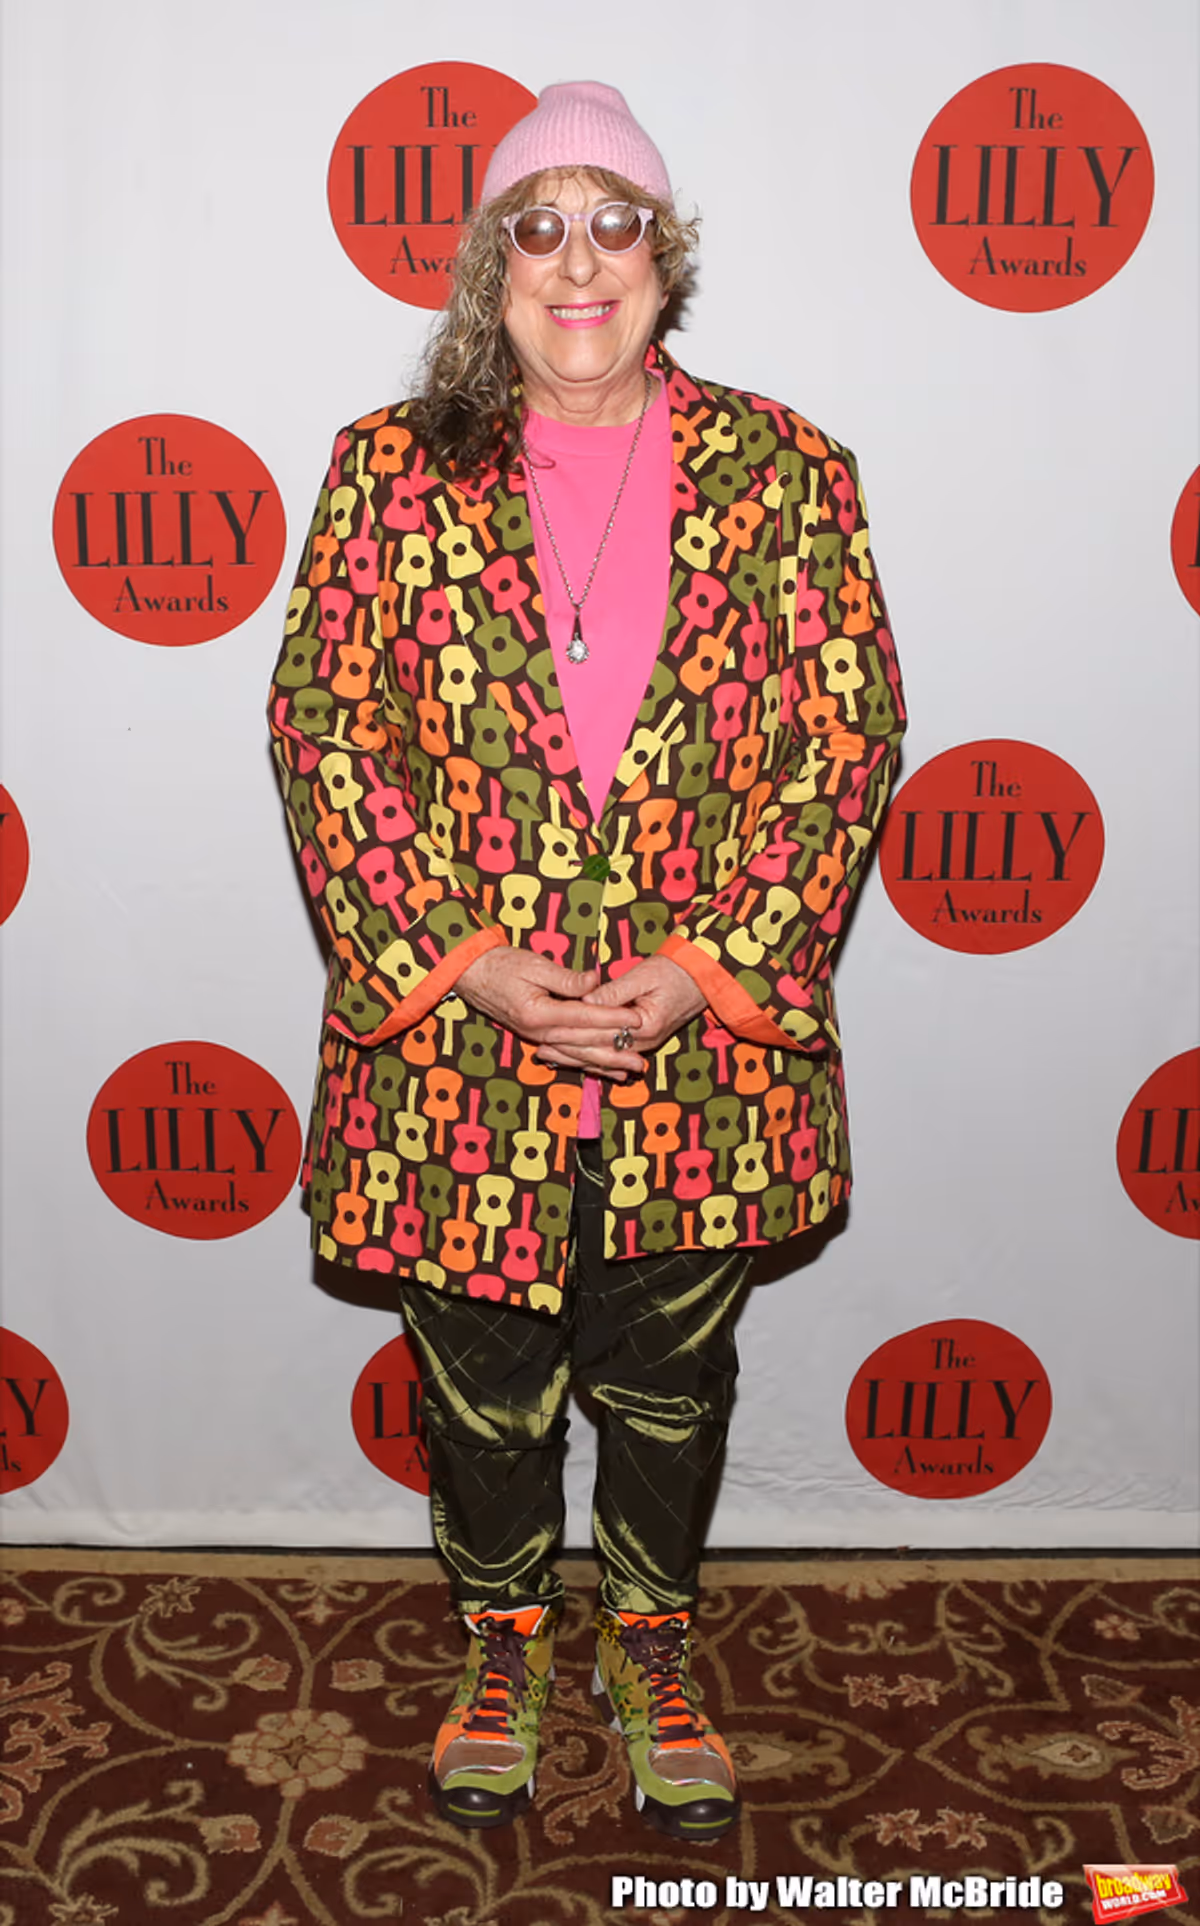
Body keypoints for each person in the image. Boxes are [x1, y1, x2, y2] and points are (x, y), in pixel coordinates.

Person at [268, 80, 905, 1840]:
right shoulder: (384, 472)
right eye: (533, 226)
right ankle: (500, 1637)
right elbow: (327, 728)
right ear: (489, 269)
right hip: (458, 1048)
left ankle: (653, 1636)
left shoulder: (786, 472)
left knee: (666, 1378)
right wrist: (459, 961)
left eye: (610, 220)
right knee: (477, 1386)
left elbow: (846, 737)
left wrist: (715, 965)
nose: (576, 262)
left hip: (696, 1048)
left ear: (662, 252)